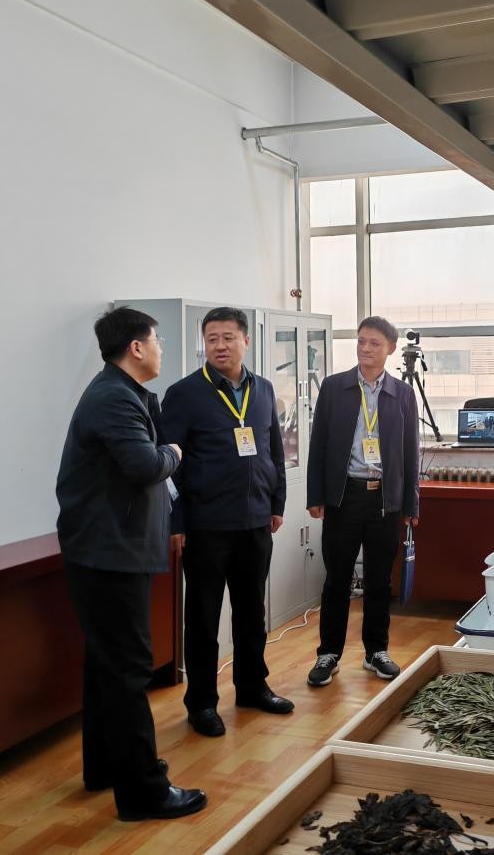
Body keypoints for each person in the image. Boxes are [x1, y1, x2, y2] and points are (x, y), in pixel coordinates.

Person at [55, 307, 207, 822]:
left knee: (107, 666)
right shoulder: (113, 398)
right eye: (157, 340)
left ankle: (105, 768)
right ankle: (143, 792)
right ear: (136, 348)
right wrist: (174, 452)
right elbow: (144, 465)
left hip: (109, 550)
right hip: (109, 554)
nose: (162, 349)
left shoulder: (125, 393)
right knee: (128, 668)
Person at [161, 306, 293, 737]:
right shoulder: (184, 394)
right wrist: (177, 522)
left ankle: (252, 688)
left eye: (228, 337)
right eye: (212, 339)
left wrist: (277, 502)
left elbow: (274, 450)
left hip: (255, 521)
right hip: (206, 526)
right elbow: (169, 467)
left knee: (252, 612)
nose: (220, 346)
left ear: (246, 341)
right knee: (203, 618)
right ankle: (201, 703)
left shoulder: (264, 389)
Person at [305, 316, 420, 687]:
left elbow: (411, 452)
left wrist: (411, 506)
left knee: (379, 581)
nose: (365, 348)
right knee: (337, 579)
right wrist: (315, 495)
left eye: (374, 343)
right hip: (344, 497)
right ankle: (328, 654)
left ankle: (376, 651)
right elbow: (318, 444)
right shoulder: (334, 387)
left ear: (390, 348)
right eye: (361, 341)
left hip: (385, 499)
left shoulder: (402, 394)